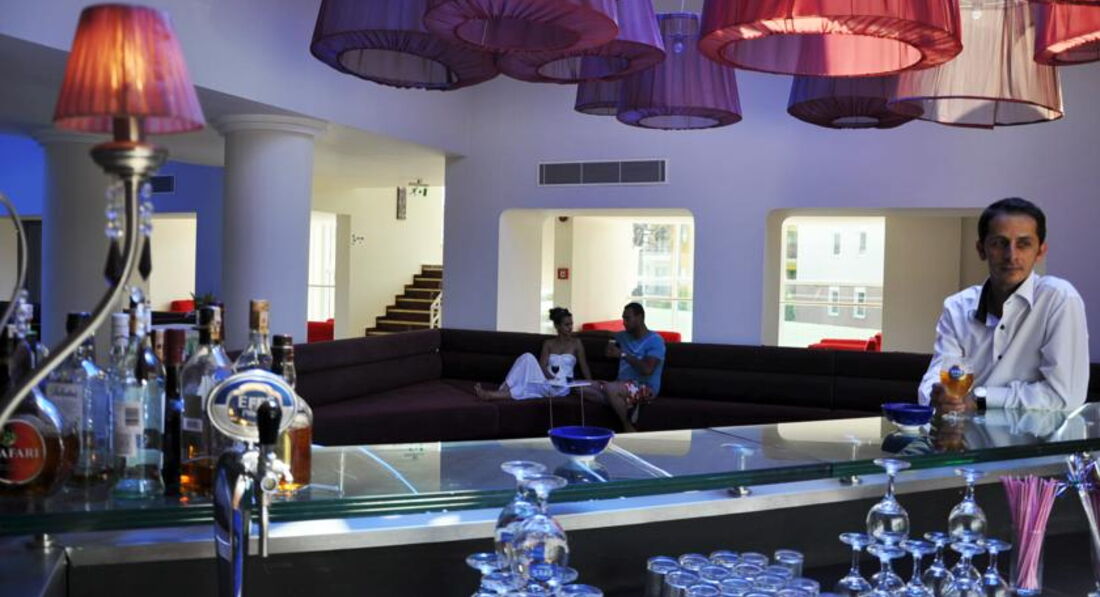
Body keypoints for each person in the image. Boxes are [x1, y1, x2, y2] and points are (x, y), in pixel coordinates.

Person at [918, 198, 1089, 413]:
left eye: (1024, 244)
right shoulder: (957, 307)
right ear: (981, 249)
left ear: (1040, 251)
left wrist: (981, 399)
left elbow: (1066, 396)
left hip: (1038, 436)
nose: (1011, 256)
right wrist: (937, 396)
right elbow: (937, 376)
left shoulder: (1059, 298)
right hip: (964, 434)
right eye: (999, 243)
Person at [475, 307, 593, 401]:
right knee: (527, 357)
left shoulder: (576, 343)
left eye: (571, 324)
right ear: (557, 326)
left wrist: (592, 383)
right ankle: (499, 392)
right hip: (547, 381)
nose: (570, 328)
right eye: (566, 325)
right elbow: (542, 366)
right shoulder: (548, 343)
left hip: (562, 386)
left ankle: (493, 394)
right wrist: (551, 378)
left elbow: (584, 367)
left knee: (525, 385)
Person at [593, 302, 666, 432]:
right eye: (623, 318)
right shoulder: (623, 336)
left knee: (610, 388)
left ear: (640, 317)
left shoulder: (655, 341)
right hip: (620, 385)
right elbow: (606, 334)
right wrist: (576, 335)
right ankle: (624, 402)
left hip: (644, 387)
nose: (624, 322)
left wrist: (622, 354)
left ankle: (628, 425)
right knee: (580, 388)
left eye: (627, 318)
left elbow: (647, 370)